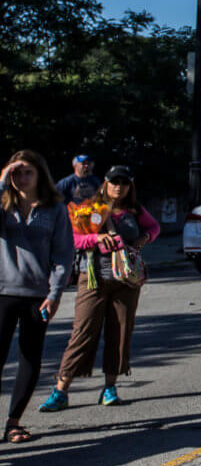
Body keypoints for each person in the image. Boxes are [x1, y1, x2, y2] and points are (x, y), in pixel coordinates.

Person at [39, 166, 158, 412]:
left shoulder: (134, 210)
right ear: (105, 183)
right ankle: (61, 390)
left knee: (121, 332)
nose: (119, 187)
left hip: (126, 280)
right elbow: (72, 238)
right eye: (115, 182)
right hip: (92, 278)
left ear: (130, 186)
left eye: (124, 182)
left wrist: (145, 239)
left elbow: (154, 227)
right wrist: (95, 239)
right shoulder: (89, 208)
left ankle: (109, 388)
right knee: (83, 332)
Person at [2, 151, 74, 443]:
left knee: (30, 358)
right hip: (2, 292)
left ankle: (13, 422)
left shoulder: (55, 208)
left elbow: (63, 254)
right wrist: (1, 181)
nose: (21, 178)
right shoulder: (3, 204)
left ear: (40, 175)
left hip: (37, 295)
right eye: (16, 173)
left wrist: (55, 293)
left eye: (27, 172)